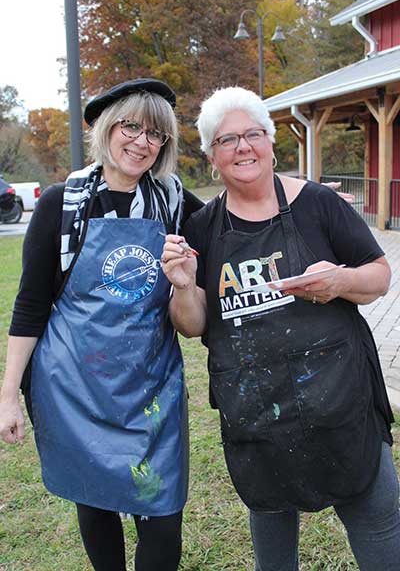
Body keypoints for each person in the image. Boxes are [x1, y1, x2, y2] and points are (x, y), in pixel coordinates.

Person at [161, 86, 400, 571]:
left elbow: (379, 275)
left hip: (341, 401)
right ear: (212, 157)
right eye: (227, 140)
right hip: (255, 411)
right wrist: (184, 287)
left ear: (271, 142)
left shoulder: (318, 204)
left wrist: (340, 281)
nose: (242, 147)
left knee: (377, 520)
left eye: (252, 134)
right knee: (271, 526)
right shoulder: (204, 227)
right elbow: (193, 326)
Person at [0, 78, 203, 571]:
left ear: (165, 145)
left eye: (155, 133)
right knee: (94, 503)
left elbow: (235, 222)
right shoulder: (61, 204)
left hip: (150, 388)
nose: (141, 141)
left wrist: (296, 198)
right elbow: (30, 305)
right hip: (74, 388)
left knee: (162, 509)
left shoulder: (173, 202)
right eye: (130, 126)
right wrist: (7, 395)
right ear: (107, 129)